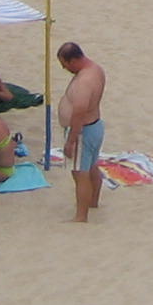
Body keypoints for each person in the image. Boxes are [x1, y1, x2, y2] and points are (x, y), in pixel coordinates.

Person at [57, 41, 105, 224]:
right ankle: (93, 202)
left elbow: (79, 112)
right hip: (95, 126)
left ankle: (81, 216)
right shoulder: (96, 69)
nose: (65, 69)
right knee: (92, 166)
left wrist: (71, 140)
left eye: (66, 65)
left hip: (83, 131)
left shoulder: (84, 81)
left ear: (74, 60)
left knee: (80, 173)